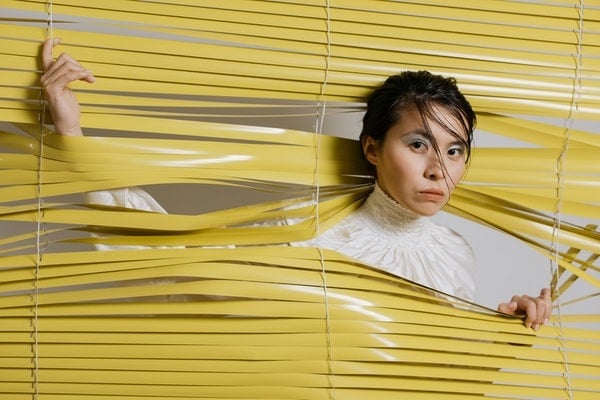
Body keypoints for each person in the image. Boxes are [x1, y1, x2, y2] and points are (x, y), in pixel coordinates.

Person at [40, 38, 552, 331]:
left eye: (455, 150)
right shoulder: (306, 228)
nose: (440, 168)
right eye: (418, 144)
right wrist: (73, 133)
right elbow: (175, 265)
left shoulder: (456, 253)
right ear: (372, 148)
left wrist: (505, 326)